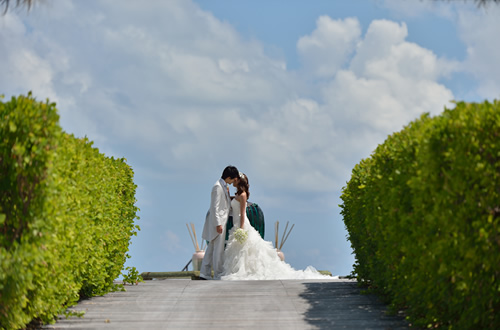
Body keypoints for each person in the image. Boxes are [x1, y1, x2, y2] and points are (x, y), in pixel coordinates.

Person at [221, 172, 333, 280]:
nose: (234, 181)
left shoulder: (243, 195)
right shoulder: (238, 195)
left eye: (236, 180)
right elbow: (233, 201)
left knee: (246, 248)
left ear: (240, 181)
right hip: (236, 223)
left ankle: (246, 270)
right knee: (240, 250)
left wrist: (241, 229)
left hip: (241, 223)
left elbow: (242, 213)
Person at [200, 165, 239, 280]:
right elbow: (214, 207)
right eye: (233, 179)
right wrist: (218, 224)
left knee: (211, 248)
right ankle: (217, 273)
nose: (233, 182)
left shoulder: (223, 186)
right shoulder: (217, 187)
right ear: (229, 177)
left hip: (220, 221)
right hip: (218, 222)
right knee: (218, 249)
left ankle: (204, 273)